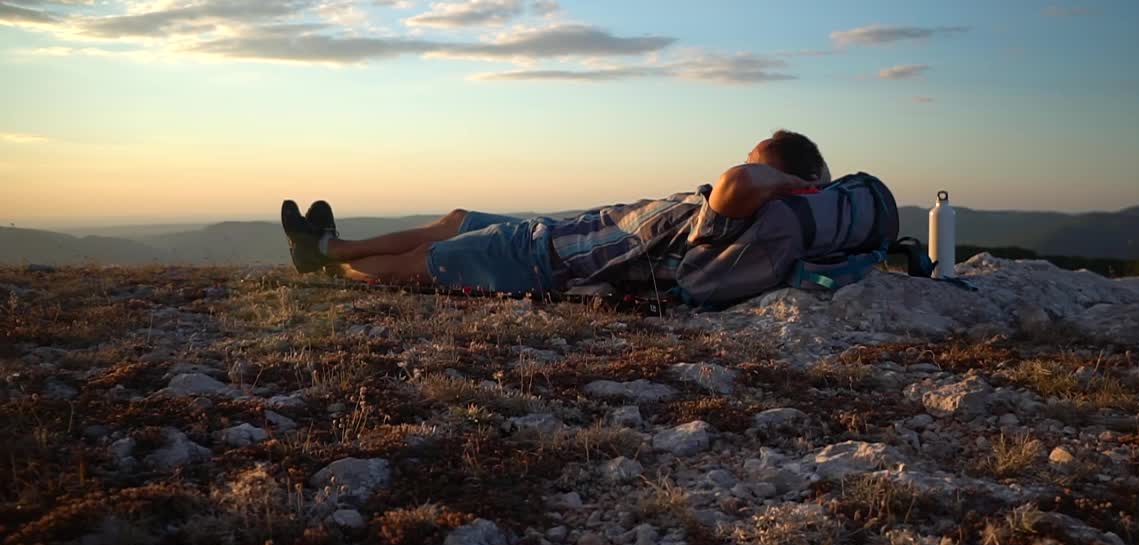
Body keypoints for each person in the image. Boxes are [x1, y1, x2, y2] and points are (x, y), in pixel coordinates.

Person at [281, 130, 831, 295]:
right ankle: (329, 245)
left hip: (545, 261)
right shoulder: (741, 208)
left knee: (426, 259)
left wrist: (787, 184)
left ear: (775, 180)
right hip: (555, 232)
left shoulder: (738, 215)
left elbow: (738, 182)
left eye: (756, 161)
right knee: (454, 218)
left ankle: (327, 262)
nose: (741, 164)